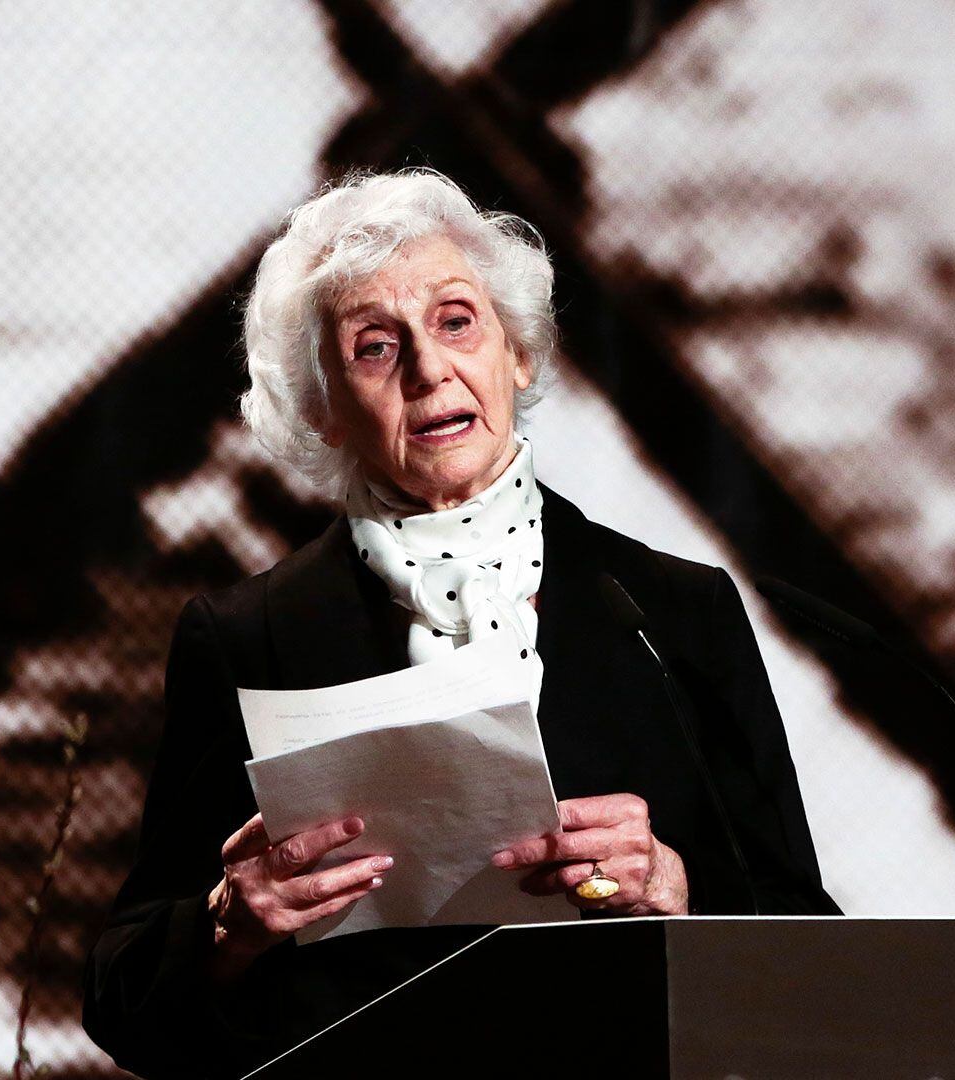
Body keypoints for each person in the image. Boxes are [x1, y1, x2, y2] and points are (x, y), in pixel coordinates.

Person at [82, 170, 839, 1078]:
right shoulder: (247, 637)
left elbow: (809, 949)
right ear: (322, 409)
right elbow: (122, 1000)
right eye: (374, 347)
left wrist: (677, 888)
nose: (431, 370)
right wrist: (227, 928)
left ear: (516, 353)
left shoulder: (675, 610)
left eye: (455, 321)